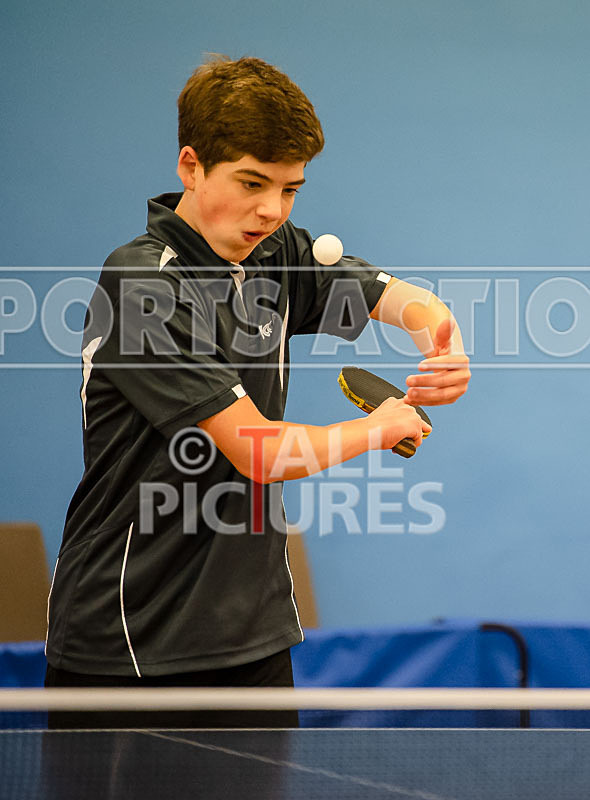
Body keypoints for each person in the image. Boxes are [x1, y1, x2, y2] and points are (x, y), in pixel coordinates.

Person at [44, 55, 470, 729]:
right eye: (251, 182)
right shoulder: (144, 286)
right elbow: (260, 453)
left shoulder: (274, 257)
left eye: (289, 189)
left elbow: (391, 296)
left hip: (255, 636)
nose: (271, 210)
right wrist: (382, 428)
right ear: (191, 166)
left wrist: (440, 338)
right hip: (130, 646)